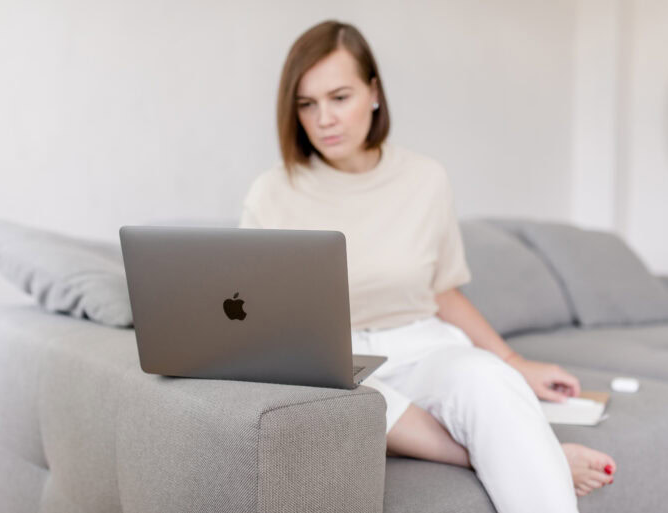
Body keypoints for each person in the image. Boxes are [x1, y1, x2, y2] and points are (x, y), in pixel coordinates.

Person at [239, 19, 617, 512]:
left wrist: (514, 364)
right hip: (332, 360)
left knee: (487, 380)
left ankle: (522, 454)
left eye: (339, 97)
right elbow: (251, 310)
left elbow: (442, 292)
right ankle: (525, 455)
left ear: (374, 93)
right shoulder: (272, 192)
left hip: (419, 344)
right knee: (353, 398)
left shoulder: (424, 178)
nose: (324, 118)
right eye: (306, 104)